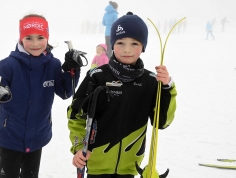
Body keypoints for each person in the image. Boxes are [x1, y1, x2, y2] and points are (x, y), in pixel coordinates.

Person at [67, 12, 177, 178]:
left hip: (130, 167)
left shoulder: (150, 81)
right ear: (112, 45)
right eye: (120, 42)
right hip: (97, 164)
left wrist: (168, 87)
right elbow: (76, 115)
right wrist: (78, 147)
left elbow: (161, 122)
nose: (127, 49)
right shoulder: (97, 76)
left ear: (143, 47)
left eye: (134, 43)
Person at [0, 14, 83, 178]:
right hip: (10, 135)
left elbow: (65, 92)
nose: (35, 44)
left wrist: (71, 71)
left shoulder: (52, 65)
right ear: (21, 38)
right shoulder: (9, 65)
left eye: (40, 37)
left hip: (38, 136)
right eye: (29, 38)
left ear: (47, 38)